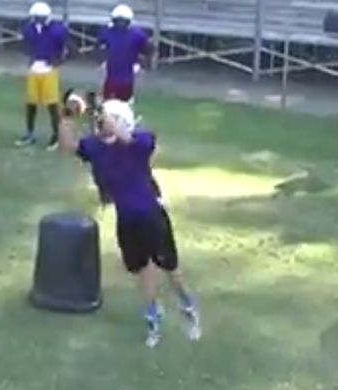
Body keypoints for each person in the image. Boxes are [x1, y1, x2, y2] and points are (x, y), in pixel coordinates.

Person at [59, 93, 201, 348]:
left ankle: (188, 306)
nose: (101, 123)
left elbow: (131, 139)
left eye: (107, 119)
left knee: (171, 270)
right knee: (141, 270)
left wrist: (113, 121)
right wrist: (67, 116)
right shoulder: (95, 147)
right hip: (126, 220)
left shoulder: (140, 142)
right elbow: (67, 146)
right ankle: (153, 317)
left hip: (152, 216)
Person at [15, 1, 69, 150]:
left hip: (48, 70)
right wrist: (31, 57)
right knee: (31, 103)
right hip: (34, 68)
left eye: (41, 17)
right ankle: (30, 133)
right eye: (37, 17)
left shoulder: (57, 30)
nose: (38, 20)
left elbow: (69, 49)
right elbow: (23, 43)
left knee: (52, 104)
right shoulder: (29, 28)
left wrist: (57, 61)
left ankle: (56, 136)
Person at [96, 4, 152, 103]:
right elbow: (98, 47)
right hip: (113, 75)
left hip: (125, 77)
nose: (120, 24)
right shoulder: (137, 34)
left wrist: (141, 64)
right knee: (110, 104)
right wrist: (102, 61)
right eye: (118, 21)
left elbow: (148, 50)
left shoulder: (137, 35)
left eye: (122, 21)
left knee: (120, 104)